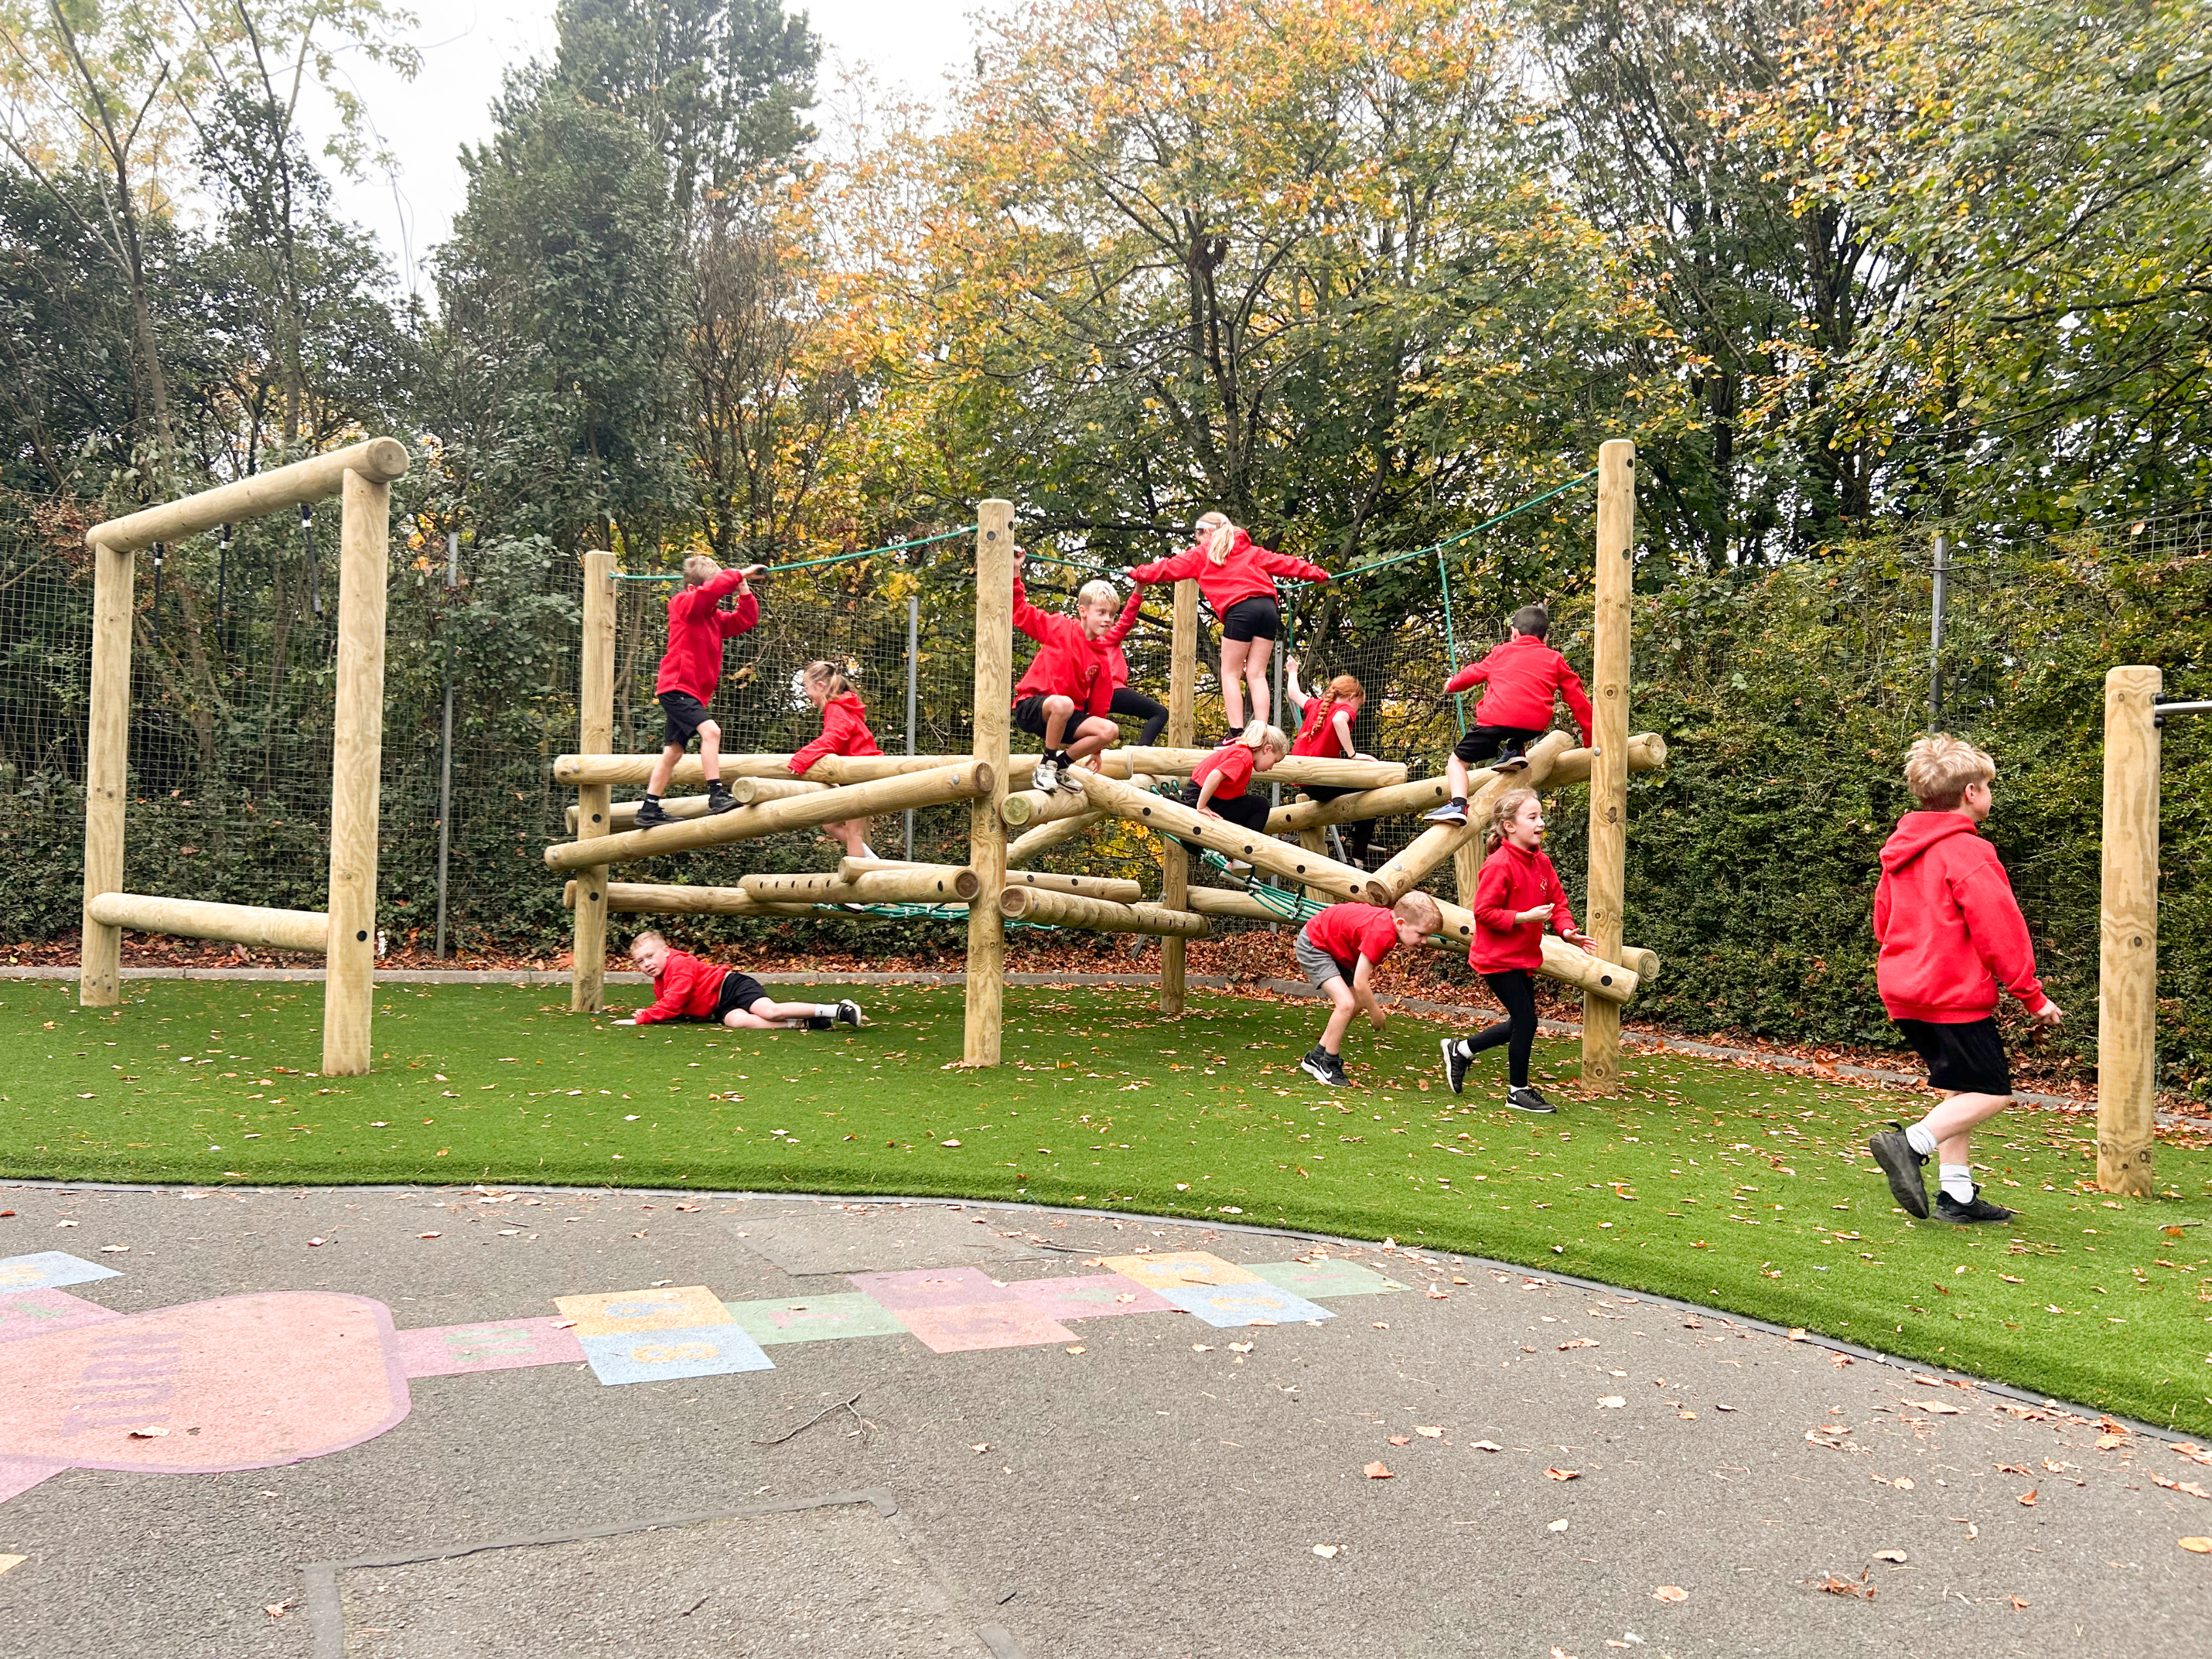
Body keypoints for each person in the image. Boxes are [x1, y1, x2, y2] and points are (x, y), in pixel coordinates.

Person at [1866, 735, 2062, 1225]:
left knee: (1961, 1089)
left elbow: (1882, 922)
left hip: (1904, 989)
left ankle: (1956, 1196)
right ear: (1971, 792)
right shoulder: (1968, 852)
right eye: (1990, 788)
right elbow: (2001, 931)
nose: (1991, 796)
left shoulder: (1900, 850)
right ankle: (1909, 1144)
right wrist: (2032, 997)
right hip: (1949, 991)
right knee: (1992, 1091)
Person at [1439, 787, 1596, 1113]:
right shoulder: (1499, 865)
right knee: (1525, 1021)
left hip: (1524, 957)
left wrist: (1567, 931)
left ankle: (1461, 1050)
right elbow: (1483, 913)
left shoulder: (1541, 862)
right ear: (1510, 825)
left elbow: (1558, 902)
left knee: (1522, 1022)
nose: (1540, 823)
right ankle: (1517, 1091)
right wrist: (1524, 917)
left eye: (1541, 816)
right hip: (1496, 959)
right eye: (1532, 817)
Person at [1127, 512, 1328, 736]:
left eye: (1199, 538)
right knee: (1257, 673)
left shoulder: (1203, 554)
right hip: (1268, 609)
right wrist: (1318, 574)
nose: (1199, 543)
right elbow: (1285, 563)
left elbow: (1167, 569)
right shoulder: (1251, 552)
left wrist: (1138, 573)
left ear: (1207, 532)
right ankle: (1261, 731)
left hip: (1240, 610)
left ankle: (1236, 732)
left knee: (1231, 674)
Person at [1424, 604, 1594, 826]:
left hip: (1494, 722)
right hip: (1534, 725)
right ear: (1546, 637)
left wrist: (1453, 684)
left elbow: (1473, 673)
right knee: (1520, 721)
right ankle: (1514, 749)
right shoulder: (1555, 658)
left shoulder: (1501, 652)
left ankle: (1457, 804)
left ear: (1513, 633)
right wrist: (1590, 738)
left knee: (1456, 762)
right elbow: (1577, 698)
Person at [637, 556, 765, 828]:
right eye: (711, 593)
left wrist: (742, 585)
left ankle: (649, 808)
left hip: (691, 692)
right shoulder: (683, 604)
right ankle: (716, 795)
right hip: (676, 686)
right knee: (712, 732)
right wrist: (739, 571)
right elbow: (712, 591)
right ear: (694, 589)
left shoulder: (713, 618)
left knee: (673, 751)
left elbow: (745, 619)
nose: (716, 601)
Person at [1293, 892, 1444, 1087]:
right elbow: (1361, 983)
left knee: (1353, 1004)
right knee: (1346, 1004)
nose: (1424, 941)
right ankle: (1328, 1065)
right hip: (1316, 944)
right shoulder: (1382, 934)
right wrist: (1375, 1013)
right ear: (1400, 924)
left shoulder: (1387, 926)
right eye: (1421, 934)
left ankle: (1317, 1057)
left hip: (1335, 947)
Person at [1011, 560, 1122, 793]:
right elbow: (1021, 612)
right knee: (1064, 703)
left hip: (1066, 717)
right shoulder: (1059, 627)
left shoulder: (1102, 656)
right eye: (1101, 612)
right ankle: (1046, 765)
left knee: (1110, 730)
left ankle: (1060, 767)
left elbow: (1101, 703)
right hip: (1033, 707)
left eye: (1112, 614)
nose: (1108, 619)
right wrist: (1015, 571)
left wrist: (1097, 750)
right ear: (1083, 611)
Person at [614, 931, 867, 1030]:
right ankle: (806, 1023)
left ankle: (838, 1010)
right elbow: (674, 1006)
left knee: (769, 1011)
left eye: (650, 956)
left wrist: (642, 1018)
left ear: (666, 951)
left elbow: (676, 999)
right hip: (718, 1006)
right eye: (639, 961)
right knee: (738, 1021)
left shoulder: (680, 965)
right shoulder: (661, 980)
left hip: (730, 985)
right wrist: (651, 1012)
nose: (646, 964)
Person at [1284, 656, 1377, 866]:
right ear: (1353, 697)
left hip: (1306, 782)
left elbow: (1293, 693)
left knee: (1360, 794)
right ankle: (1359, 854)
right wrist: (1352, 755)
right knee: (1372, 789)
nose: (1357, 710)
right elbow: (1338, 721)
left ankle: (1360, 834)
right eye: (1358, 705)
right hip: (1322, 780)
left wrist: (1292, 671)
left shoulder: (1317, 706)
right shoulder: (1345, 710)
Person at [790, 660, 884, 862]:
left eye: (806, 687)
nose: (807, 694)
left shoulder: (836, 708)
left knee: (853, 832)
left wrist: (800, 760)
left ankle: (858, 879)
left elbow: (833, 739)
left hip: (860, 775)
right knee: (830, 824)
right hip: (853, 776)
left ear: (820, 686)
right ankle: (872, 861)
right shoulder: (841, 706)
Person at [1100, 586, 1169, 746]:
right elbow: (1127, 620)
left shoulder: (1081, 639)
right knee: (1160, 712)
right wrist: (1138, 591)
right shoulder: (1108, 637)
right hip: (1113, 690)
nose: (1109, 620)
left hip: (1091, 696)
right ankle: (1142, 750)